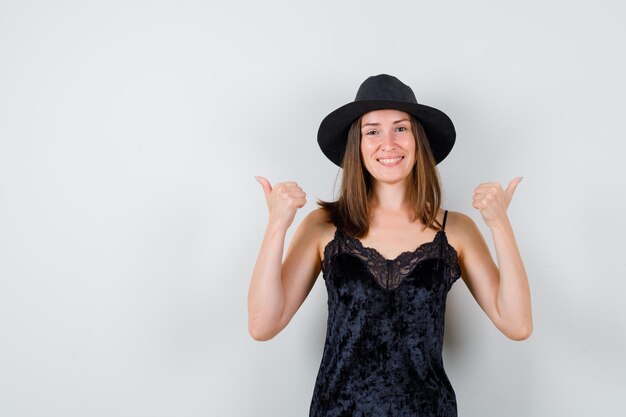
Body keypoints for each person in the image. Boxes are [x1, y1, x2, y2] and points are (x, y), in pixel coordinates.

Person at [248, 74, 532, 417]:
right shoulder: (323, 227)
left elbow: (517, 325)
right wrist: (277, 224)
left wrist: (499, 223)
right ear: (357, 144)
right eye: (372, 131)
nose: (388, 143)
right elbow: (263, 325)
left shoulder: (456, 230)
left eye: (400, 128)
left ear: (418, 140)